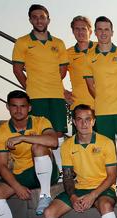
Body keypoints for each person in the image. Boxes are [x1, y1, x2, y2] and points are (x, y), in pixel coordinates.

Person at [41, 104, 117, 218]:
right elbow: (67, 177)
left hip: (102, 187)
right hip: (80, 187)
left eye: (87, 119)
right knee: (49, 213)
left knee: (106, 206)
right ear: (74, 122)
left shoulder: (105, 142)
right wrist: (74, 197)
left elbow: (111, 176)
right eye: (79, 119)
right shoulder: (68, 146)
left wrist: (92, 196)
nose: (84, 123)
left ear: (93, 121)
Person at [0, 90, 59, 218]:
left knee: (38, 147)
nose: (18, 110)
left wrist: (23, 138)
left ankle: (45, 196)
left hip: (46, 171)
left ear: (29, 108)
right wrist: (16, 187)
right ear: (8, 107)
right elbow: (1, 166)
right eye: (14, 106)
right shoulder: (1, 132)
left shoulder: (40, 121)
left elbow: (53, 142)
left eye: (22, 106)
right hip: (22, 174)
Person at [12, 4, 68, 174]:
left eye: (42, 17)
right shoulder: (22, 42)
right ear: (30, 20)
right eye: (35, 17)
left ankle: (60, 171)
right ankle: (46, 169)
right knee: (40, 133)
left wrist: (50, 83)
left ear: (48, 19)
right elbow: (17, 69)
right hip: (35, 96)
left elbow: (63, 70)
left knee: (58, 132)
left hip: (57, 95)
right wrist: (30, 86)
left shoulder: (58, 43)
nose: (39, 20)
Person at [84, 16, 117, 143]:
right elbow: (90, 86)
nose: (103, 33)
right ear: (95, 32)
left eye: (106, 29)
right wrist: (102, 100)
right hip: (102, 112)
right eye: (100, 29)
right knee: (107, 151)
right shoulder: (88, 58)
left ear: (112, 32)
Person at [65, 15, 96, 116]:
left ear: (90, 31)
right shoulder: (67, 54)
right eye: (77, 29)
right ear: (73, 32)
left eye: (83, 28)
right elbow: (54, 74)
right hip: (79, 106)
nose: (80, 32)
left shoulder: (101, 47)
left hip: (103, 104)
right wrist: (63, 92)